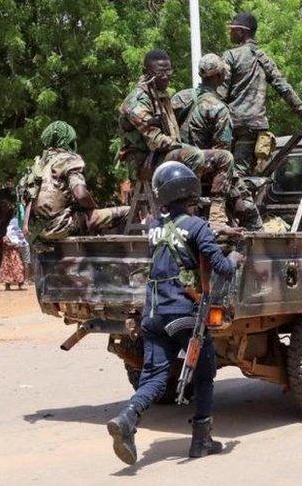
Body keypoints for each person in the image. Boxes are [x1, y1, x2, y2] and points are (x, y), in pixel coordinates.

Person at [106, 161, 237, 465]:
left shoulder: (153, 226)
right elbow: (222, 268)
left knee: (153, 377)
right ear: (188, 190)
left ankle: (128, 418)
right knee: (205, 374)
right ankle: (201, 441)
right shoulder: (196, 226)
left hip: (152, 315)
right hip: (184, 316)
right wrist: (236, 258)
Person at [118, 49, 235, 226]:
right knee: (193, 155)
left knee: (224, 157)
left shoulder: (161, 95)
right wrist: (182, 147)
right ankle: (187, 214)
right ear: (146, 72)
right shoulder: (137, 101)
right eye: (160, 72)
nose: (165, 77)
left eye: (168, 71)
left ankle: (217, 217)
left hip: (162, 156)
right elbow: (157, 141)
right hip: (145, 162)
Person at [220, 12, 302, 176]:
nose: (230, 33)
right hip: (257, 126)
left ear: (242, 31)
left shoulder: (231, 56)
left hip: (234, 124)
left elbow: (220, 92)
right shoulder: (263, 58)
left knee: (233, 174)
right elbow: (284, 88)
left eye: (232, 30)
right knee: (250, 172)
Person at [180, 53, 262, 230]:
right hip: (208, 172)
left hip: (179, 166)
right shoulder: (219, 109)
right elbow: (222, 153)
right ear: (219, 76)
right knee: (247, 207)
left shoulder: (181, 98)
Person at [27, 121, 131, 240]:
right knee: (128, 212)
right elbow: (81, 194)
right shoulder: (68, 159)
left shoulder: (38, 165)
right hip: (61, 227)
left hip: (37, 233)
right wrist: (93, 208)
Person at [0, 216, 27, 290]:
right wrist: (16, 244)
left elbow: (23, 243)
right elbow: (7, 243)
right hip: (8, 257)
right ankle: (7, 285)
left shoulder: (17, 236)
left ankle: (20, 284)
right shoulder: (6, 237)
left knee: (19, 269)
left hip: (16, 256)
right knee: (8, 270)